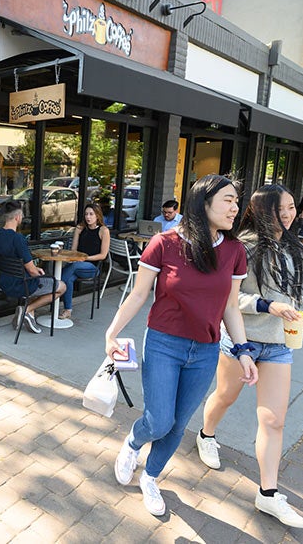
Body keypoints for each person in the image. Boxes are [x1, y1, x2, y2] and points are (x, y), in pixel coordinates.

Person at [104, 174, 255, 517]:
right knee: (158, 421)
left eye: (236, 200)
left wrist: (243, 350)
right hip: (163, 344)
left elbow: (231, 307)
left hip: (205, 351)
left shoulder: (234, 251)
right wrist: (111, 333)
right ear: (204, 203)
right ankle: (132, 443)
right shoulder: (164, 243)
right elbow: (139, 294)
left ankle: (151, 477)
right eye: (228, 200)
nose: (235, 207)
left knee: (177, 424)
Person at [197, 184, 303, 528]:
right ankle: (206, 435)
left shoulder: (294, 248)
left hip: (278, 345)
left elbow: (298, 299)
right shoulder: (240, 247)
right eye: (282, 208)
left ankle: (268, 494)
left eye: (292, 206)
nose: (289, 214)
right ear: (263, 211)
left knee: (274, 420)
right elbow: (229, 300)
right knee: (225, 396)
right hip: (241, 340)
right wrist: (267, 305)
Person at [0, 200, 66, 334]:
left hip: (3, 283)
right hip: (20, 285)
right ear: (18, 217)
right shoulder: (18, 239)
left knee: (36, 280)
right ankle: (27, 310)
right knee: (61, 286)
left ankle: (30, 315)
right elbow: (31, 270)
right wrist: (40, 272)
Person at [58, 203, 110, 320]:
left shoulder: (103, 231)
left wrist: (85, 258)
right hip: (77, 265)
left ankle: (52, 293)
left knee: (67, 270)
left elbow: (103, 255)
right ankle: (68, 310)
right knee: (69, 278)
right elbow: (73, 250)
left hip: (93, 268)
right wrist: (75, 257)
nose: (88, 217)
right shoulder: (80, 228)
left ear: (97, 215)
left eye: (91, 214)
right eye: (86, 214)